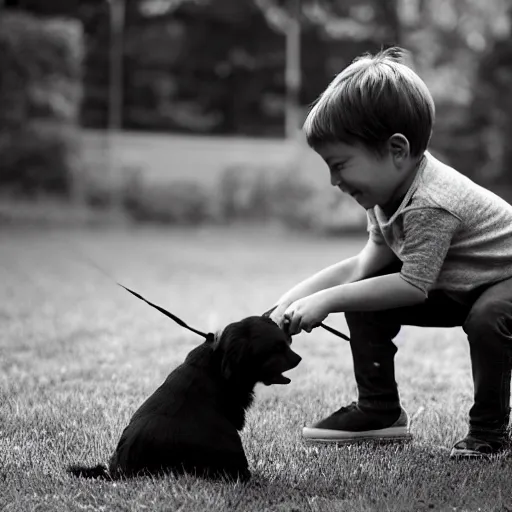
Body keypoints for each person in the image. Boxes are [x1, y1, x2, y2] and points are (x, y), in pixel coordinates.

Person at [269, 46, 512, 459]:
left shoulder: (431, 201)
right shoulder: (385, 194)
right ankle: (378, 411)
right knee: (364, 293)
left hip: (503, 281)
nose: (333, 180)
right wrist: (293, 299)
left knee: (488, 319)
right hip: (461, 284)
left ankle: (489, 433)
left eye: (341, 164)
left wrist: (325, 301)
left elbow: (412, 286)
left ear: (397, 150)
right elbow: (368, 262)